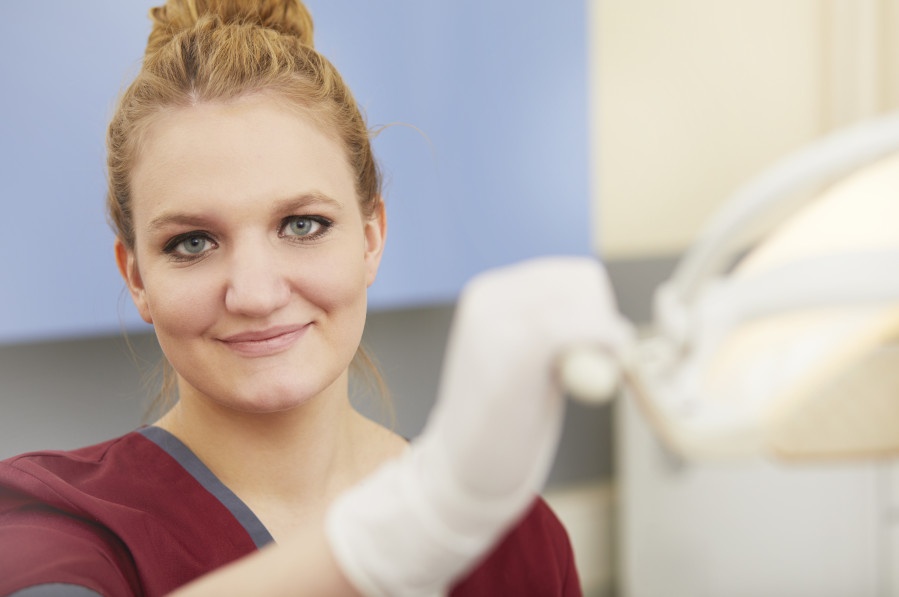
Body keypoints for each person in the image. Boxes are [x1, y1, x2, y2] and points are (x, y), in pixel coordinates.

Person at [0, 1, 632, 595]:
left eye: (302, 225)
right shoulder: (50, 522)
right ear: (136, 276)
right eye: (193, 242)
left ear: (372, 238)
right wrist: (414, 529)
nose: (255, 294)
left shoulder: (514, 537)